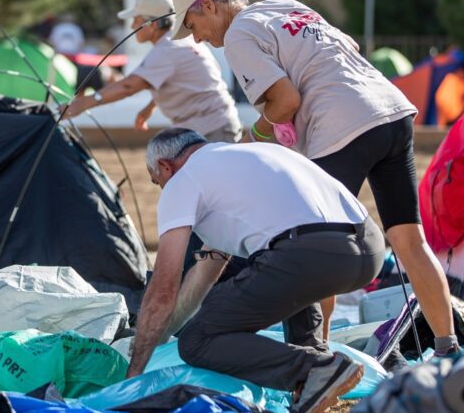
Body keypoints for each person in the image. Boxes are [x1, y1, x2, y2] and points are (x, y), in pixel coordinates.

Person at [168, 0, 460, 357]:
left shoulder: (238, 36)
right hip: (391, 110)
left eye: (192, 26)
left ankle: (316, 361)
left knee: (315, 245)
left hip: (342, 124)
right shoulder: (283, 4)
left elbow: (286, 100)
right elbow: (346, 47)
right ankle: (449, 347)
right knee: (410, 239)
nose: (197, 38)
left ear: (209, 6)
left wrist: (254, 135)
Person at [126, 128, 384, 413]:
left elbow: (164, 289)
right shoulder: (247, 160)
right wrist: (160, 336)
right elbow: (201, 279)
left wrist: (134, 371)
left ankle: (317, 368)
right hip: (369, 249)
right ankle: (318, 370)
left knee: (197, 340)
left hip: (307, 252)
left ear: (165, 166)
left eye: (158, 182)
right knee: (280, 267)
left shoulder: (182, 181)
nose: (163, 188)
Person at [63, 0, 242, 143]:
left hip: (212, 130)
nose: (132, 26)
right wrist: (150, 107)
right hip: (214, 125)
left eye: (136, 20)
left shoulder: (167, 49)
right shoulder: (179, 41)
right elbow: (177, 80)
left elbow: (128, 86)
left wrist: (83, 103)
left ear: (153, 24)